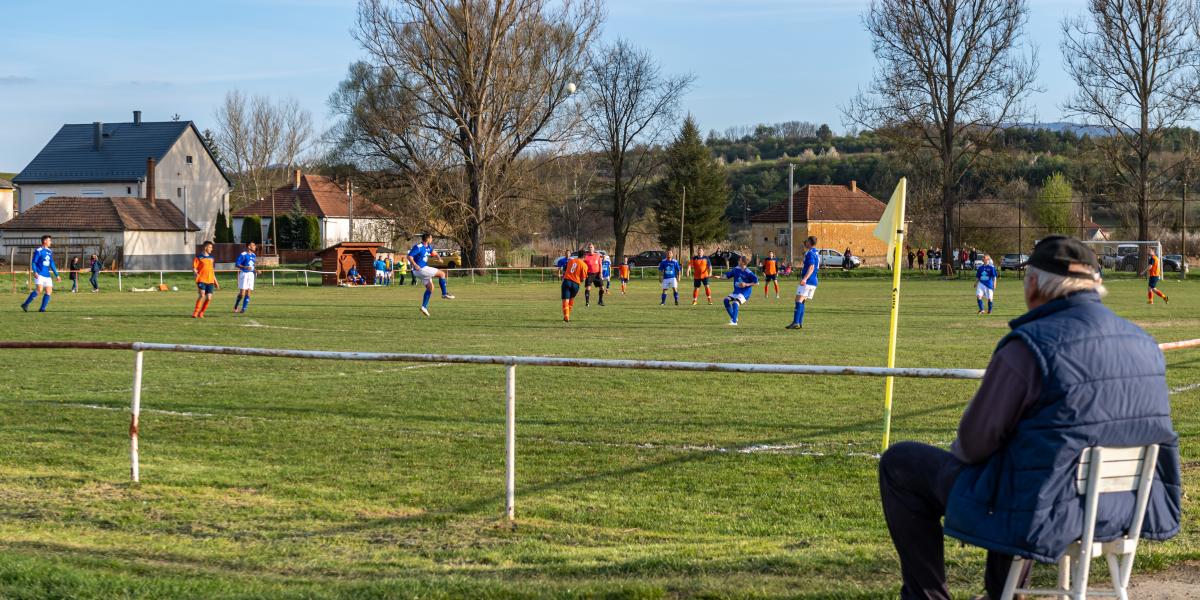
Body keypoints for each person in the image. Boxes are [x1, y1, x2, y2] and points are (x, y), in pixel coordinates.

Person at [878, 235, 1181, 600]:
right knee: (1021, 470)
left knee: (901, 463)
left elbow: (974, 443)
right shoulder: (1145, 343)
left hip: (1046, 510)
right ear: (1095, 285)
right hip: (1124, 509)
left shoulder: (1028, 346)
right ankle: (1004, 591)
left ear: (1034, 284)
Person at [407, 233, 455, 316]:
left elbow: (434, 253)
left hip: (420, 271)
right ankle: (444, 294)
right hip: (420, 269)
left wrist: (439, 258)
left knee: (430, 288)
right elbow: (409, 256)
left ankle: (424, 307)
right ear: (428, 239)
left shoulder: (428, 247)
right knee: (442, 274)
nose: (432, 239)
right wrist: (415, 265)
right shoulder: (418, 247)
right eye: (431, 238)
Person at [786, 236, 820, 330]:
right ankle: (799, 322)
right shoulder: (816, 252)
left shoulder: (809, 253)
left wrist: (805, 278)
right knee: (802, 300)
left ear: (809, 242)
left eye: (807, 241)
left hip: (808, 281)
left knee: (798, 300)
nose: (805, 242)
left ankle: (796, 322)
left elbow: (811, 267)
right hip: (814, 281)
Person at [22, 235, 59, 313]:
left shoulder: (49, 251)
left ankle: (42, 309)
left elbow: (52, 263)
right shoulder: (38, 251)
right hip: (39, 274)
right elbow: (34, 262)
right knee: (39, 290)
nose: (50, 242)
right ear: (45, 241)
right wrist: (35, 271)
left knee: (49, 291)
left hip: (47, 275)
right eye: (49, 240)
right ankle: (25, 304)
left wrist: (57, 275)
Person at [720, 255, 759, 326]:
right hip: (736, 292)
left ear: (743, 263)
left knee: (735, 303)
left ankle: (734, 322)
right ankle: (734, 317)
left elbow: (757, 283)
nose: (738, 261)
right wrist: (720, 276)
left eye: (740, 260)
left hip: (745, 293)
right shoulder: (736, 269)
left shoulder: (748, 272)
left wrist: (746, 284)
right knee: (726, 300)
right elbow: (727, 276)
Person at [192, 240, 218, 318]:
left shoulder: (211, 258)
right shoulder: (199, 257)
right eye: (210, 247)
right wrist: (195, 272)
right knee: (202, 295)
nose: (211, 249)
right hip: (201, 279)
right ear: (206, 247)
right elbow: (194, 268)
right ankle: (195, 313)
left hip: (210, 280)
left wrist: (215, 281)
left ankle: (201, 312)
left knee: (209, 298)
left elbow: (212, 270)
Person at [560, 252, 588, 322]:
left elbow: (566, 270)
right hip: (576, 284)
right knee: (571, 299)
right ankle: (567, 315)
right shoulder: (584, 265)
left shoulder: (571, 261)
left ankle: (566, 316)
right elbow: (583, 279)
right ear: (584, 256)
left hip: (567, 281)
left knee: (565, 300)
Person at [233, 242, 257, 313]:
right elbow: (237, 264)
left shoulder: (254, 255)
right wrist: (244, 267)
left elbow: (252, 266)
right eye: (253, 245)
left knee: (248, 292)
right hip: (244, 274)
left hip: (251, 275)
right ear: (249, 247)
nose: (255, 246)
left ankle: (243, 308)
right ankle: (236, 305)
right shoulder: (243, 254)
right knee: (242, 293)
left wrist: (255, 270)